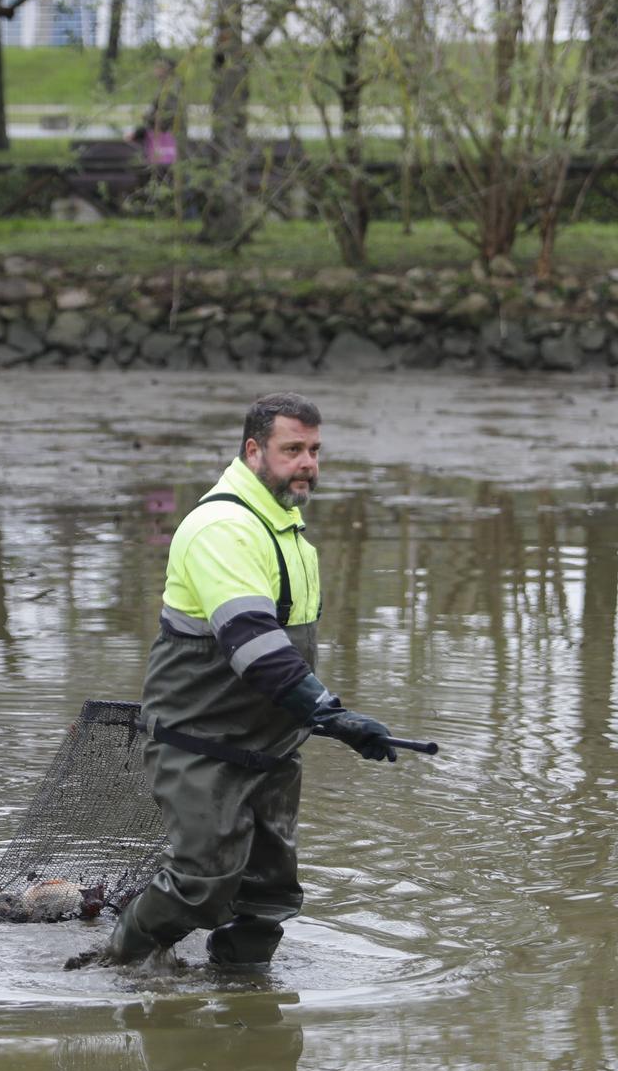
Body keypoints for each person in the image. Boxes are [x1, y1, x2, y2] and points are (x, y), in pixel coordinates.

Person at [74, 392, 400, 971]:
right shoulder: (221, 528)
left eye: (315, 451)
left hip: (271, 750)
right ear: (253, 451)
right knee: (202, 882)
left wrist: (317, 717)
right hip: (199, 744)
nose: (308, 464)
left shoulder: (292, 536)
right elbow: (256, 647)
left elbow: (288, 654)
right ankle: (116, 968)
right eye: (292, 449)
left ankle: (243, 998)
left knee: (269, 896)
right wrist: (332, 714)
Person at [128, 58, 181, 170]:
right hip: (160, 135)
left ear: (165, 69)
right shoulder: (167, 87)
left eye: (158, 67)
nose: (155, 70)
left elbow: (167, 115)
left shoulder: (170, 89)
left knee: (160, 167)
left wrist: (148, 118)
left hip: (163, 136)